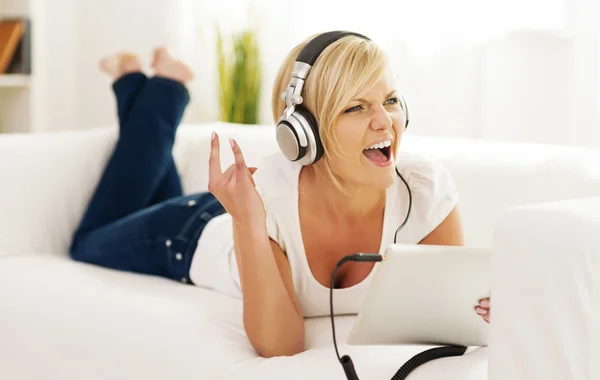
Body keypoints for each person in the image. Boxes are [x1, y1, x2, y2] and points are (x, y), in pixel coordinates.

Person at [70, 33, 491, 359]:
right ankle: (155, 87)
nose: (385, 122)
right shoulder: (268, 196)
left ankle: (144, 82)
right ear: (302, 133)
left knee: (140, 197)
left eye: (391, 100)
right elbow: (280, 345)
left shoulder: (425, 191)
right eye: (355, 108)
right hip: (190, 233)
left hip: (237, 213)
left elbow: (454, 316)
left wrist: (490, 309)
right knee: (86, 242)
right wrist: (248, 220)